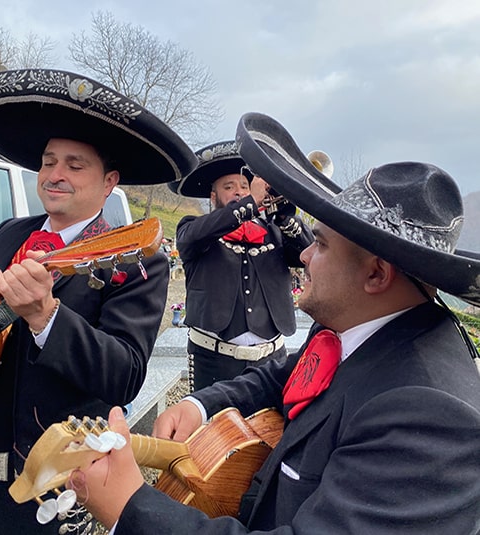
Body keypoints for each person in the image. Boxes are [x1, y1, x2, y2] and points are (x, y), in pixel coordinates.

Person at [75, 112, 480, 534]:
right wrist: (201, 404)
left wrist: (130, 510)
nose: (305, 257)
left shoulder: (429, 417)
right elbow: (286, 373)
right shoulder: (363, 329)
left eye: (320, 244)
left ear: (376, 276)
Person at [0, 68, 197, 535]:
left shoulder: (138, 261)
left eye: (74, 165)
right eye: (48, 161)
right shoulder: (7, 235)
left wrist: (46, 316)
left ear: (108, 181)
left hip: (49, 485)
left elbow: (125, 376)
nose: (55, 175)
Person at [168, 140, 314, 390]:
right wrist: (249, 203)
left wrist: (283, 214)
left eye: (245, 186)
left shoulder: (274, 232)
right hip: (213, 362)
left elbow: (310, 252)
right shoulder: (194, 228)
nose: (239, 191)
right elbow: (194, 237)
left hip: (270, 361)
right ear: (213, 196)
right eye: (229, 187)